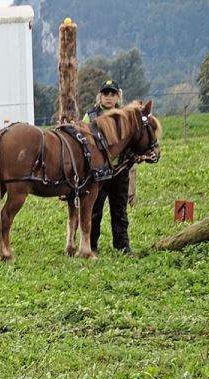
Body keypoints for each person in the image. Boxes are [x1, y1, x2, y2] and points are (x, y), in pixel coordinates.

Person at [82, 79, 133, 254]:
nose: (109, 97)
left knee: (119, 210)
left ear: (118, 96)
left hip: (120, 170)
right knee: (95, 210)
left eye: (113, 94)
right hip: (98, 172)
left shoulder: (126, 117)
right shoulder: (90, 116)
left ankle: (122, 246)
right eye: (106, 93)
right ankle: (92, 245)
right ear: (100, 96)